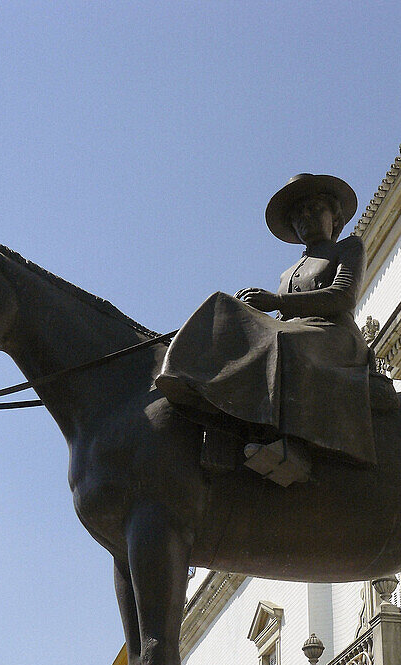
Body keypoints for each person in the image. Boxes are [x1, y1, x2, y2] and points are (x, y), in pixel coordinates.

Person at [154, 173, 377, 481]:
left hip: (334, 335)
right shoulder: (288, 272)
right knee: (227, 312)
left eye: (313, 209)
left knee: (283, 344)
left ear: (335, 217)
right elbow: (281, 321)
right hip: (295, 330)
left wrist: (276, 301)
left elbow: (343, 296)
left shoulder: (349, 247)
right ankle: (216, 415)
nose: (304, 218)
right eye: (297, 214)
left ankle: (295, 446)